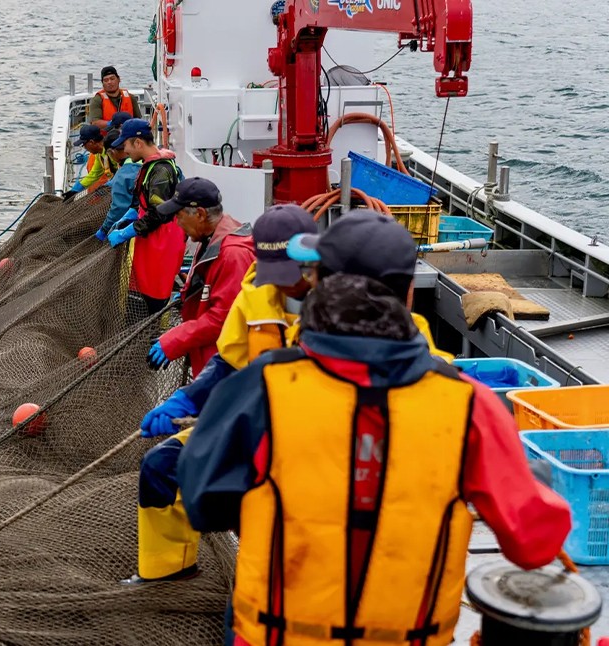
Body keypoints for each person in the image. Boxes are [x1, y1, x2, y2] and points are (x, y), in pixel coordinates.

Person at [178, 210, 572, 646]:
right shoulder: (471, 407)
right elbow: (533, 545)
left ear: (318, 283)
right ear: (407, 294)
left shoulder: (260, 386)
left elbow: (202, 502)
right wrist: (535, 483)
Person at [123, 204, 317, 586]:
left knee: (262, 503)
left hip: (307, 439)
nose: (281, 283)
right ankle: (168, 571)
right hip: (251, 423)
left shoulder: (344, 304)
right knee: (162, 467)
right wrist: (186, 399)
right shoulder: (256, 292)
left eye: (291, 271)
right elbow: (228, 363)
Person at [146, 178, 255, 378]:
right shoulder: (210, 237)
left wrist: (176, 339)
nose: (176, 223)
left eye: (179, 216)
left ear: (200, 214)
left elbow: (225, 319)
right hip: (209, 363)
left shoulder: (233, 255)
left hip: (226, 371)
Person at [107, 118, 185, 315]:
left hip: (162, 243)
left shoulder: (161, 171)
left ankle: (155, 336)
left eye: (126, 146)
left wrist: (126, 232)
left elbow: (159, 213)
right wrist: (129, 215)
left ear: (138, 143)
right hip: (150, 240)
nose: (125, 152)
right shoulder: (149, 165)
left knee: (155, 300)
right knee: (140, 292)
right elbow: (143, 203)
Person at [96, 130, 141, 239]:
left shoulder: (123, 175)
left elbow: (118, 209)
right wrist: (110, 184)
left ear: (112, 152)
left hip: (144, 227)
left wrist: (105, 229)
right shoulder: (148, 158)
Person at [63, 125, 116, 201]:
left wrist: (107, 186)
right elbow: (94, 174)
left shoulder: (113, 152)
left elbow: (122, 171)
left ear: (91, 142)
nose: (84, 148)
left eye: (84, 145)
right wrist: (75, 189)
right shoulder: (99, 154)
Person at [87, 66, 142, 130]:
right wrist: (111, 124)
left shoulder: (130, 98)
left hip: (128, 136)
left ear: (119, 79)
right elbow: (95, 123)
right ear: (102, 83)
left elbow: (138, 119)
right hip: (107, 137)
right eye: (106, 80)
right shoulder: (97, 100)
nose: (109, 82)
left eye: (112, 79)